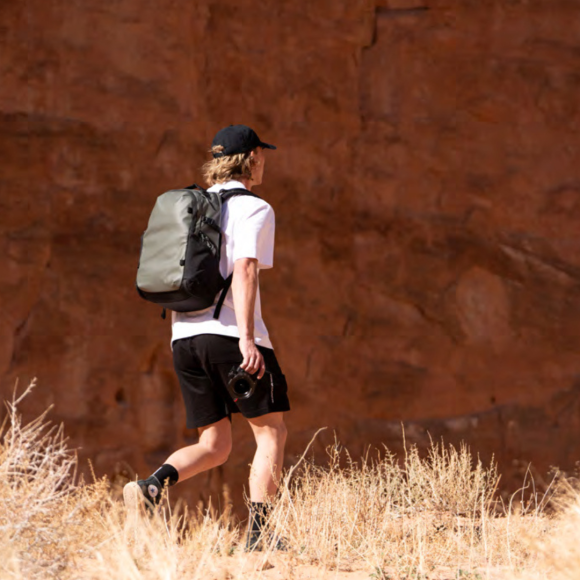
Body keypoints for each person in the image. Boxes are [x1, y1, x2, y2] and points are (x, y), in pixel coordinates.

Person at [124, 125, 290, 550]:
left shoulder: (194, 206)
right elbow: (246, 269)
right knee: (271, 433)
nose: (264, 161)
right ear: (252, 158)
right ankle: (260, 536)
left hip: (184, 338)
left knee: (214, 444)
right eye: (262, 155)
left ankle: (151, 485)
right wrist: (248, 341)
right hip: (230, 337)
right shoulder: (254, 208)